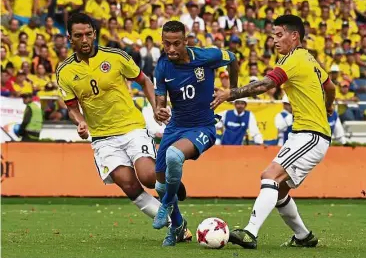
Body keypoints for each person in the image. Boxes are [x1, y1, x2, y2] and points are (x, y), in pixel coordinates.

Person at [56, 13, 190, 242]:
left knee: (148, 177)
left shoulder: (116, 57)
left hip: (131, 128)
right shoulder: (65, 71)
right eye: (79, 36)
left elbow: (145, 81)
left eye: (89, 34)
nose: (85, 39)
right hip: (102, 138)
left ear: (95, 34)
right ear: (70, 38)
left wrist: (157, 107)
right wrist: (80, 121)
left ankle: (172, 180)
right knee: (129, 186)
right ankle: (175, 225)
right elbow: (71, 106)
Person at [211, 15, 336, 249]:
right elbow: (330, 86)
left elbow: (265, 85)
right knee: (278, 190)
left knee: (269, 176)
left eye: (279, 35)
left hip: (310, 135)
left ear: (294, 36)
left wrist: (230, 93)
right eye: (273, 36)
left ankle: (250, 232)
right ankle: (303, 236)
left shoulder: (293, 60)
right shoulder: (310, 59)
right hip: (310, 134)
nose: (274, 40)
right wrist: (328, 106)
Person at [152, 20, 239, 246]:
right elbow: (160, 98)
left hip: (203, 127)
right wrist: (158, 110)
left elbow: (233, 58)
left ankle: (167, 203)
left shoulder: (206, 56)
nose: (171, 49)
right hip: (175, 126)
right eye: (166, 44)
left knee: (173, 156)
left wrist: (233, 91)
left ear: (186, 41)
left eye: (176, 44)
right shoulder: (162, 66)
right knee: (159, 185)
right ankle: (178, 226)